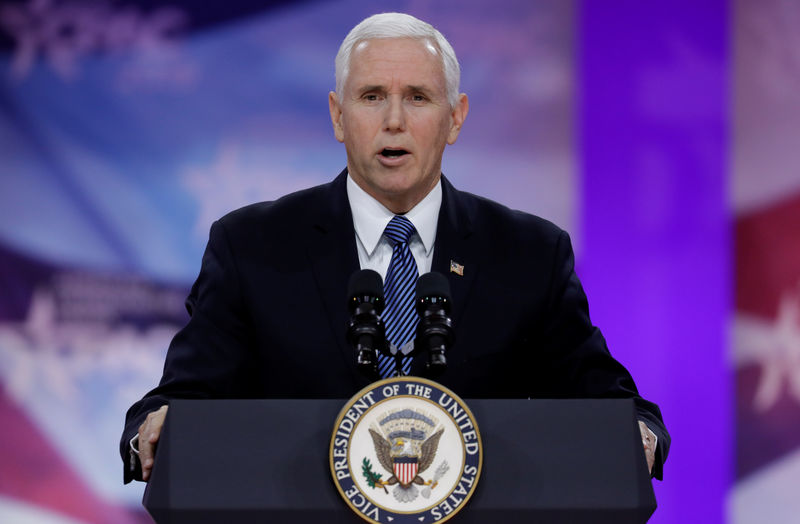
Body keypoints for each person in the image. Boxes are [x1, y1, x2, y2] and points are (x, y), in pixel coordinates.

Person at [121, 12, 669, 485]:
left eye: (418, 97)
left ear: (455, 118)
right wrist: (155, 424)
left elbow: (603, 396)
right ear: (338, 116)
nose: (394, 121)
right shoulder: (251, 245)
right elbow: (183, 399)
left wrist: (638, 432)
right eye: (372, 96)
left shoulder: (529, 253)